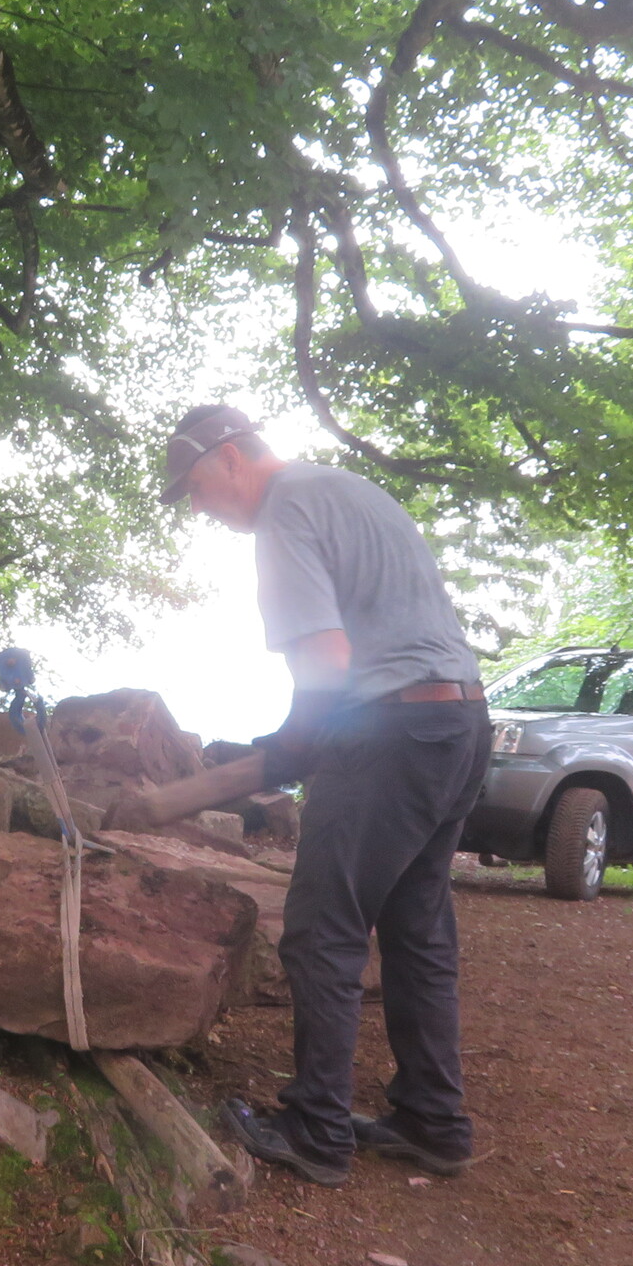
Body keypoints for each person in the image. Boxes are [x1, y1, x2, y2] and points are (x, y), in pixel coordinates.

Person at [158, 405, 492, 1186]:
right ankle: (433, 1121)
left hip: (390, 732)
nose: (199, 508)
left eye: (197, 487)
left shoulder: (285, 511)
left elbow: (326, 664)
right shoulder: (347, 490)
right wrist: (287, 746)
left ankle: (316, 1129)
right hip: (460, 724)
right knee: (417, 928)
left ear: (231, 457)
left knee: (321, 929)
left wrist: (288, 748)